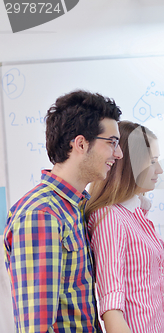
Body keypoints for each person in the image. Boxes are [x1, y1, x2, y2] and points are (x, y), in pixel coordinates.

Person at [3, 90, 123, 333]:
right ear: (80, 143)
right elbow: (36, 327)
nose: (118, 154)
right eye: (112, 143)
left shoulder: (77, 207)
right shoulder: (42, 216)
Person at [85, 121, 164, 333]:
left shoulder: (136, 214)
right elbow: (112, 306)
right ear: (128, 164)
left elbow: (138, 298)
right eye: (152, 162)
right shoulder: (110, 218)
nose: (159, 170)